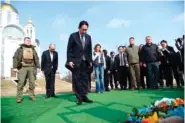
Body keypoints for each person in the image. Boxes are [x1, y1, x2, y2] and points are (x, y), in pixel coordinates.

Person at [66, 20, 93, 105]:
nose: (84, 31)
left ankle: (84, 96)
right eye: (83, 29)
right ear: (79, 28)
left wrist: (90, 61)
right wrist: (69, 60)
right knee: (77, 80)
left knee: (85, 80)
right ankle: (79, 98)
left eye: (86, 30)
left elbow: (89, 50)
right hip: (76, 62)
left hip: (85, 62)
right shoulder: (73, 36)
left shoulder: (89, 37)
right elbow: (69, 49)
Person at [13, 37, 40, 103]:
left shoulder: (33, 49)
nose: (28, 42)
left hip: (31, 67)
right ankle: (19, 98)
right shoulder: (20, 49)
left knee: (32, 83)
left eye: (29, 41)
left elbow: (36, 58)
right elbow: (15, 57)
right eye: (27, 40)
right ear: (24, 41)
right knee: (21, 82)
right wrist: (15, 67)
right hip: (22, 67)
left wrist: (38, 66)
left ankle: (32, 96)